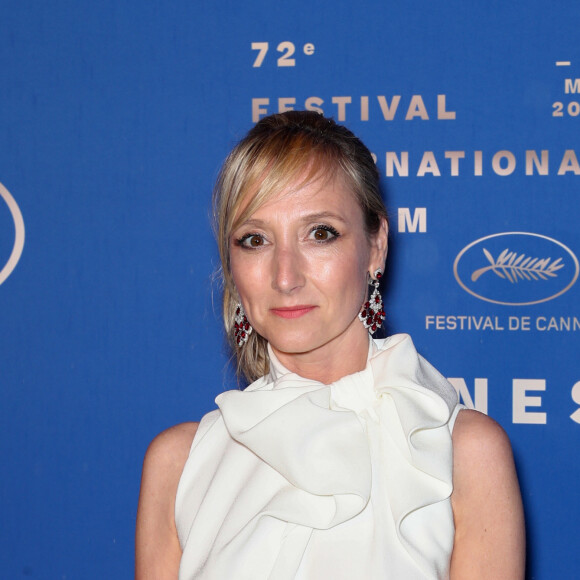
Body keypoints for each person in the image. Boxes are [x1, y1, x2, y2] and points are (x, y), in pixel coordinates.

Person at [135, 111, 525, 579]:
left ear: (375, 247)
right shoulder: (179, 465)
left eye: (320, 234)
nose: (285, 276)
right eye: (255, 240)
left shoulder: (463, 453)